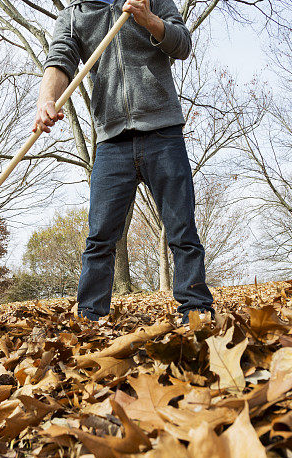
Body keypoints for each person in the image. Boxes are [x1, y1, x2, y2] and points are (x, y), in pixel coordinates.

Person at [35, 0, 214, 323]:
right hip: (111, 140)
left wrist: (150, 21)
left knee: (182, 229)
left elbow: (183, 45)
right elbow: (60, 60)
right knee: (100, 236)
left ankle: (196, 310)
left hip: (162, 131)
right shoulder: (74, 16)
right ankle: (90, 317)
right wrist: (46, 99)